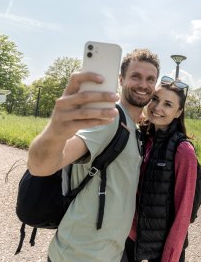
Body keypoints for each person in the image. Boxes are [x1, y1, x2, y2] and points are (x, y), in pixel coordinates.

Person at [27, 48, 160, 262]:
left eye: (150, 79)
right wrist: (55, 129)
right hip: (79, 254)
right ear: (121, 79)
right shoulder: (109, 119)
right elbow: (41, 166)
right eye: (135, 76)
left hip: (109, 254)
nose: (143, 85)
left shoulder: (135, 128)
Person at [122, 76, 198, 262]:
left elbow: (183, 212)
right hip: (128, 236)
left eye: (168, 104)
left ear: (178, 112)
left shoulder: (183, 151)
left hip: (161, 246)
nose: (157, 108)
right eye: (155, 100)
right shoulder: (141, 138)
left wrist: (170, 257)